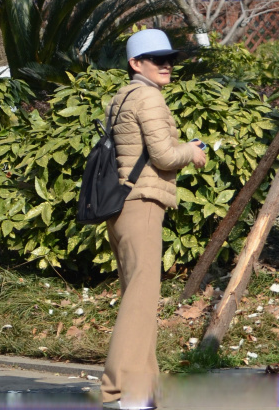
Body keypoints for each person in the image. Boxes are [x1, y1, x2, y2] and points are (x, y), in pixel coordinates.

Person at [102, 29, 206, 410]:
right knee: (140, 301)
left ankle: (144, 392)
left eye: (169, 59)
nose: (166, 65)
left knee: (138, 296)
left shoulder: (122, 96)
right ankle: (121, 392)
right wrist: (191, 151)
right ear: (135, 64)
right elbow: (163, 156)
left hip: (120, 206)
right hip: (142, 203)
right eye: (156, 59)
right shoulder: (148, 96)